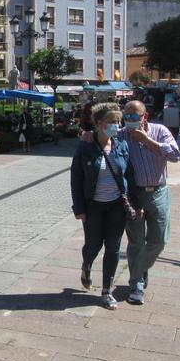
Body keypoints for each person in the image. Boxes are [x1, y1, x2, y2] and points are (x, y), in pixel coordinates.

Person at [71, 103, 137, 310]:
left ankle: (107, 290)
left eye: (118, 122)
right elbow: (76, 178)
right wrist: (79, 208)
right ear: (99, 124)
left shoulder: (121, 146)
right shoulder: (85, 146)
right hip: (93, 207)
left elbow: (129, 176)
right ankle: (87, 264)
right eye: (111, 122)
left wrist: (135, 203)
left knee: (113, 248)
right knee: (93, 246)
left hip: (117, 206)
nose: (116, 126)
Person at [118, 100, 180, 305]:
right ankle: (136, 285)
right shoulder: (121, 136)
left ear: (145, 116)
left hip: (158, 192)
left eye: (134, 116)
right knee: (136, 241)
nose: (130, 120)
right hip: (134, 195)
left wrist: (147, 140)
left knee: (159, 240)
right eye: (126, 116)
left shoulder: (159, 131)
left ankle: (137, 271)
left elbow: (175, 155)